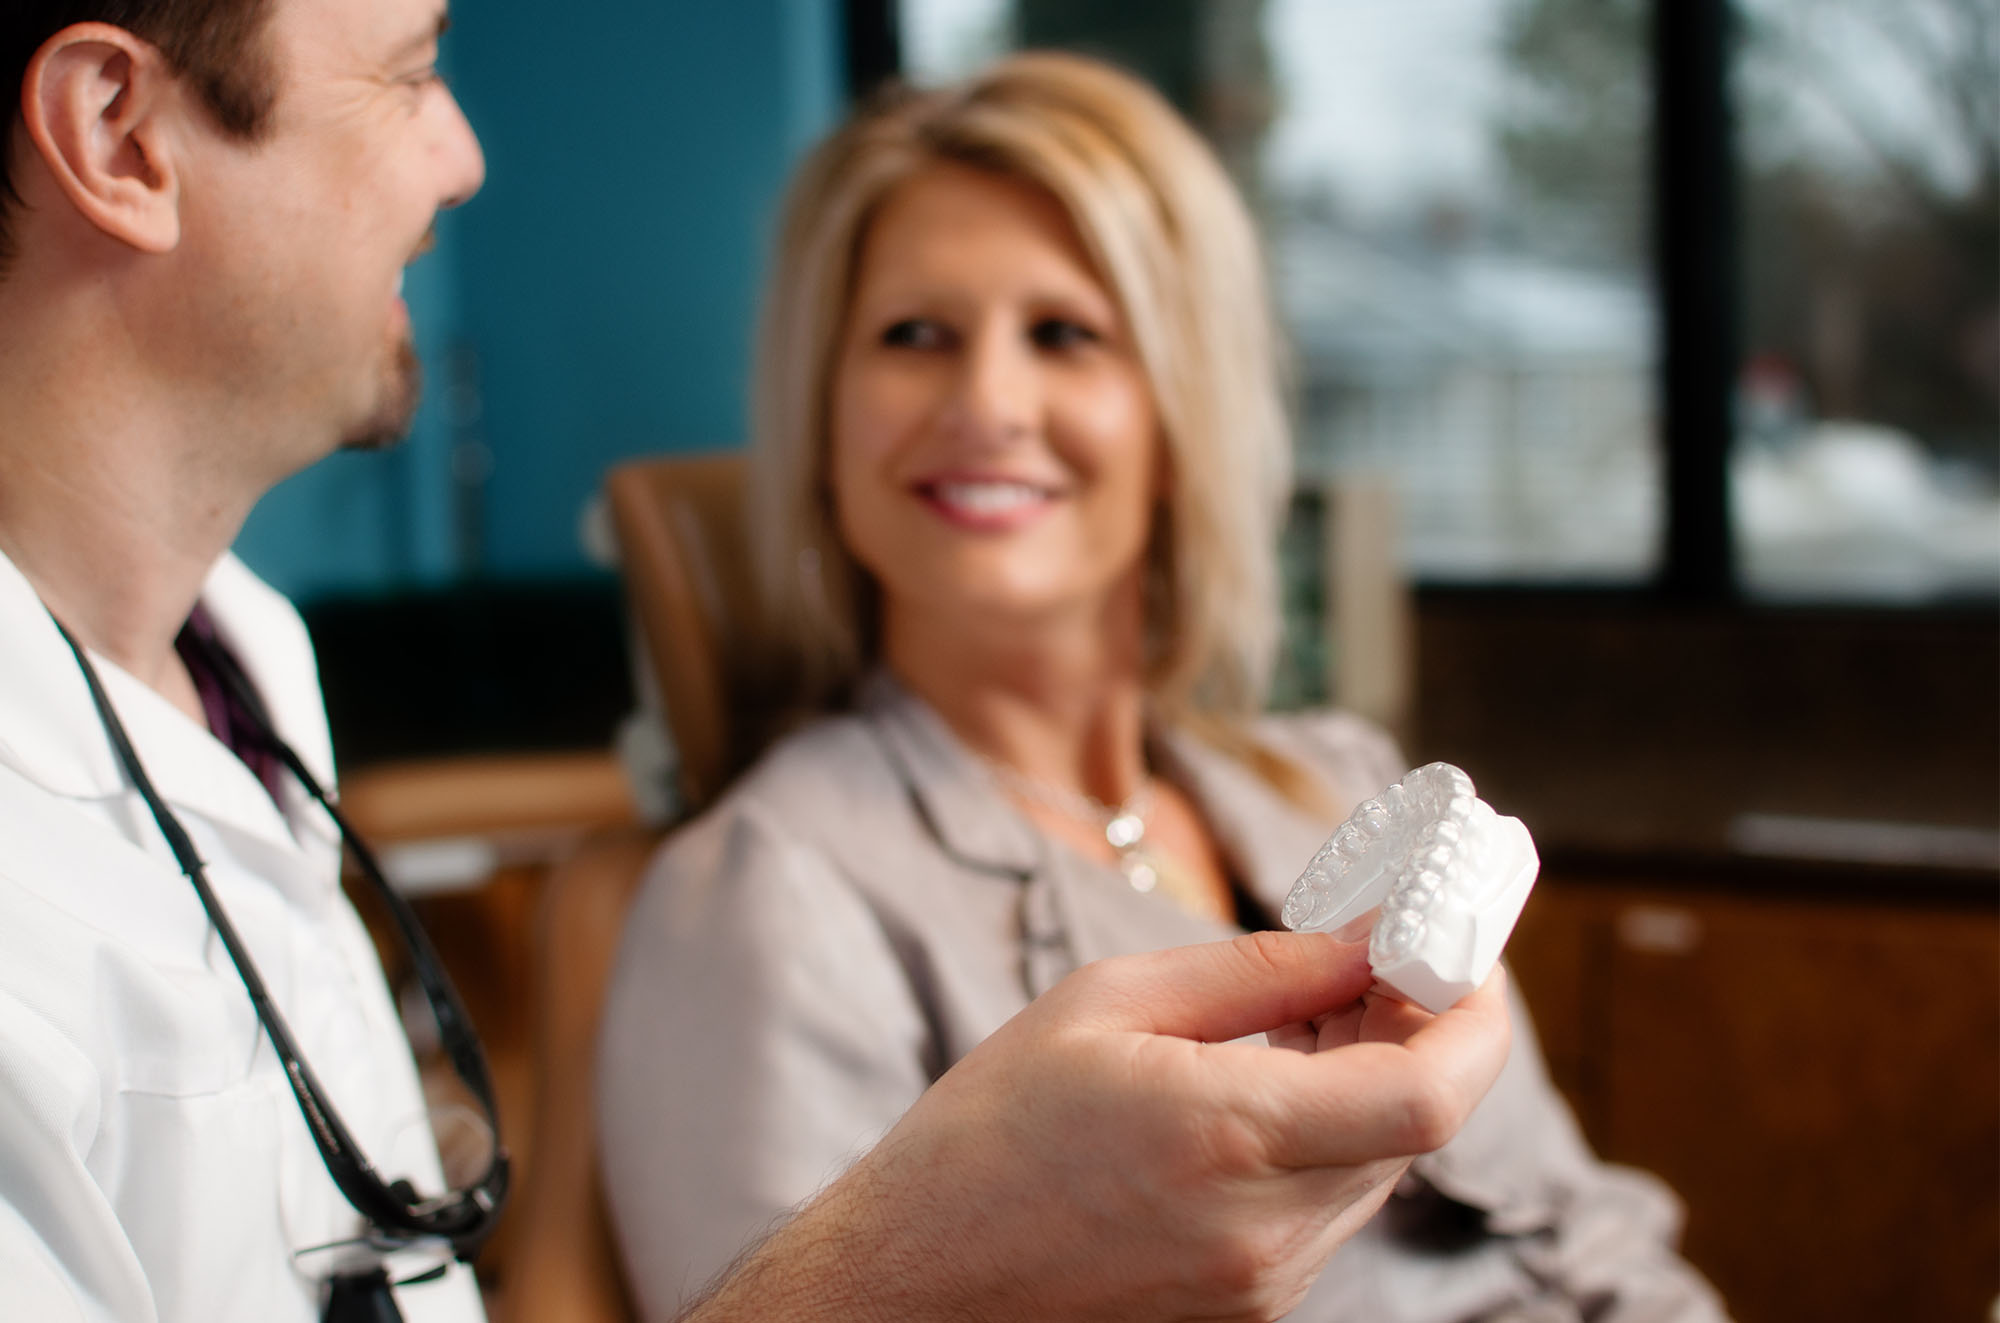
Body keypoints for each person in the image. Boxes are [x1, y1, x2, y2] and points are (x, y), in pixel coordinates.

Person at [0, 5, 1515, 1322]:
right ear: (121, 131)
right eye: (411, 72)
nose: (465, 156)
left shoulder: (244, 679)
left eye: (1068, 333)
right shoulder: (778, 882)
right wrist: (925, 1261)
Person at [597, 52, 1729, 1323]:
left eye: (1064, 335)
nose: (986, 402)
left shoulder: (1340, 781)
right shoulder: (768, 889)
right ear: (824, 418)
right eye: (914, 336)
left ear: (1179, 417)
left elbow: (1590, 1238)